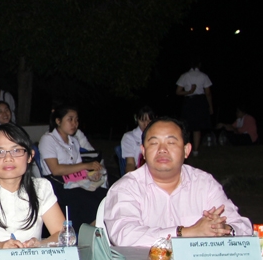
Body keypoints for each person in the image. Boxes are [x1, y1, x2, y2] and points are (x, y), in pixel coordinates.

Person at [103, 117, 252, 247]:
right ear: (143, 151)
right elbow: (124, 235)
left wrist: (224, 229)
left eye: (171, 142)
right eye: (154, 143)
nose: (162, 149)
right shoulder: (126, 188)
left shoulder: (204, 184)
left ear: (186, 150)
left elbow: (243, 227)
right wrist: (185, 232)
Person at [38, 105, 106, 227]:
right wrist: (86, 166)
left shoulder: (73, 141)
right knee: (88, 202)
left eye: (76, 120)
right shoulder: (48, 139)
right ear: (58, 121)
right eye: (70, 119)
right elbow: (56, 170)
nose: (74, 123)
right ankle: (89, 230)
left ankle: (100, 228)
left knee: (105, 195)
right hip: (57, 184)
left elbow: (78, 167)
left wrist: (90, 175)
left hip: (73, 181)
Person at [176, 62, 213, 155]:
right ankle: (195, 150)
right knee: (197, 127)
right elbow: (208, 93)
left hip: (188, 101)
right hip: (200, 102)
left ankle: (185, 150)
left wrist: (188, 92)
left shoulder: (184, 75)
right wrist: (210, 106)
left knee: (186, 126)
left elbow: (178, 92)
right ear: (199, 65)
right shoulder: (203, 76)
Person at [120, 106, 155, 174]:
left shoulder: (159, 136)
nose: (146, 124)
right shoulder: (129, 137)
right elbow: (130, 164)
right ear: (136, 118)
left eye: (149, 121)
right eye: (142, 120)